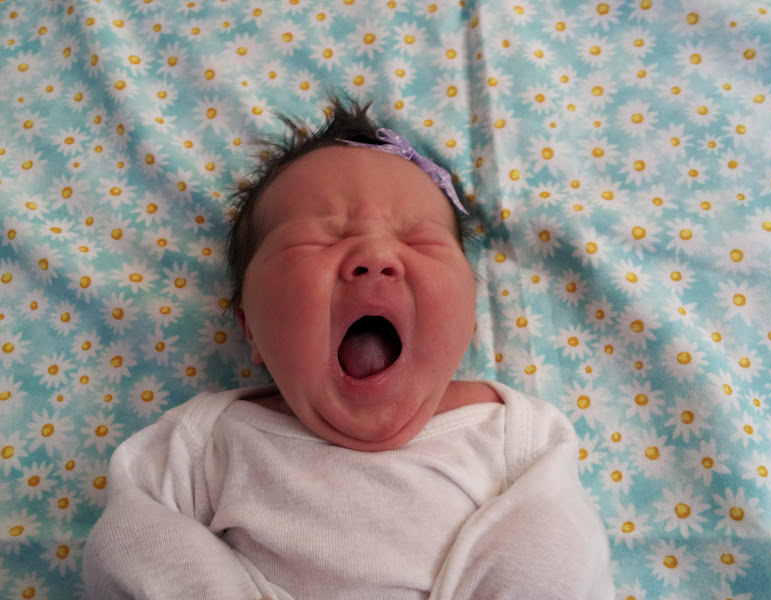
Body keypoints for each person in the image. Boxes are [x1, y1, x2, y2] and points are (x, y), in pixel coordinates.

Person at [82, 97, 614, 599]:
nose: (375, 255)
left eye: (420, 240)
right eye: (319, 240)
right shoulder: (206, 440)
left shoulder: (514, 433)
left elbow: (565, 552)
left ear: (470, 319)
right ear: (251, 329)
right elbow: (130, 541)